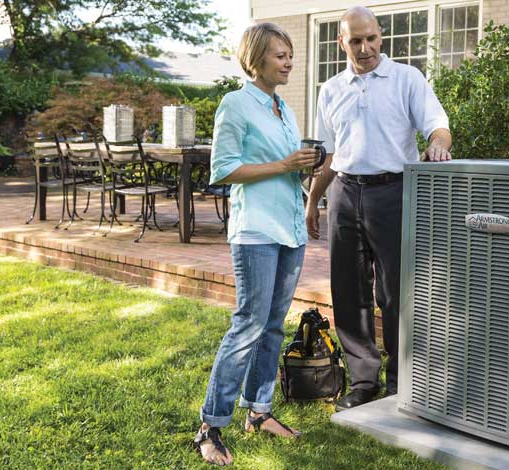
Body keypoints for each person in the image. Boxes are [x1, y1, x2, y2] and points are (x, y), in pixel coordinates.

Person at [306, 6, 452, 411]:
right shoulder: (331, 89)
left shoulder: (407, 78)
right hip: (344, 193)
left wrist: (439, 144)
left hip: (393, 192)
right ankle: (363, 381)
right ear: (342, 43)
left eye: (370, 38)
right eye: (355, 40)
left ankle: (401, 379)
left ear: (381, 35)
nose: (365, 47)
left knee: (396, 292)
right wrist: (314, 200)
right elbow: (330, 155)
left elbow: (437, 124)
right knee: (348, 289)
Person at [194, 23, 321, 466]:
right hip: (256, 232)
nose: (289, 61)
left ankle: (260, 411)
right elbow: (223, 170)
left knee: (272, 326)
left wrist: (302, 174)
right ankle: (210, 425)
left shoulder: (283, 107)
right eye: (281, 54)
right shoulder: (235, 104)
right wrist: (284, 163)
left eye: (290, 55)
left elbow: (281, 168)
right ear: (256, 57)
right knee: (248, 324)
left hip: (289, 228)